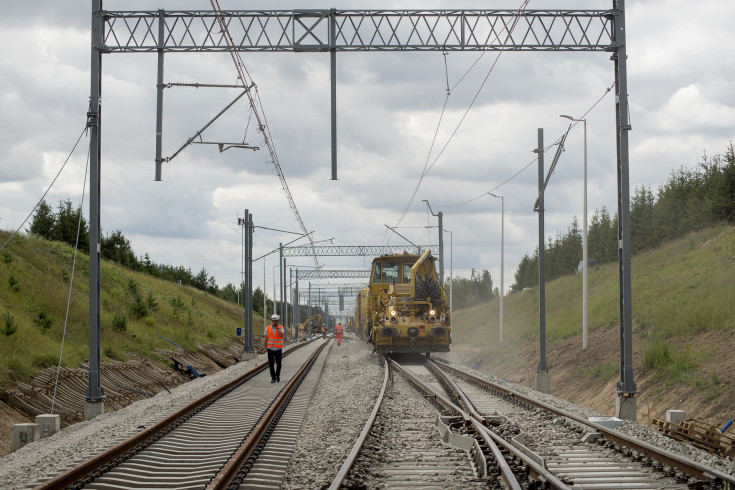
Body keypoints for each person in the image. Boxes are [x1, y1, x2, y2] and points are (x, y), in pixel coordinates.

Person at [262, 314, 284, 383]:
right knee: (271, 364)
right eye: (273, 321)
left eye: (276, 321)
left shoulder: (281, 327)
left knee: (279, 363)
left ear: (278, 321)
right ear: (271, 321)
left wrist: (278, 329)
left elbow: (282, 335)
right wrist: (264, 348)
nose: (275, 322)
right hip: (270, 348)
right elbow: (266, 339)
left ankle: (277, 376)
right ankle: (273, 377)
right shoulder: (268, 328)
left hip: (278, 349)